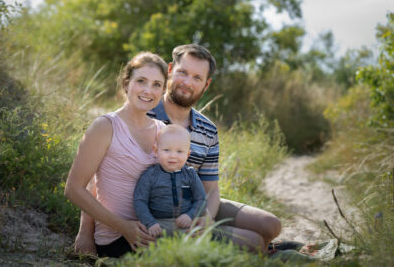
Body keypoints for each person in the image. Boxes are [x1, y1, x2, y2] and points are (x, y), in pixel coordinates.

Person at [74, 44, 282, 255]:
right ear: (171, 71)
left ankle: (263, 246)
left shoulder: (198, 129)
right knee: (253, 242)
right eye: (183, 72)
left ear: (206, 84)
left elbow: (210, 189)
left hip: (188, 203)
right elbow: (98, 178)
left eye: (197, 77)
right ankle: (257, 248)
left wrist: (205, 219)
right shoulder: (142, 111)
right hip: (153, 214)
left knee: (270, 226)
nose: (187, 82)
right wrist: (85, 233)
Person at [64, 52, 169, 258]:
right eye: (141, 81)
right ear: (126, 83)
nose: (148, 90)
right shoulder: (105, 126)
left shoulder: (163, 130)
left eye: (157, 84)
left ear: (164, 90)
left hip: (158, 229)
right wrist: (122, 227)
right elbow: (73, 189)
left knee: (244, 237)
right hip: (117, 238)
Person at [133, 124, 207, 237]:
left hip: (185, 223)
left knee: (194, 240)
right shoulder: (150, 175)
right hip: (158, 224)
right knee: (152, 244)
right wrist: (150, 222)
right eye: (167, 150)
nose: (173, 156)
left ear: (187, 154)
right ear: (156, 150)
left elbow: (201, 199)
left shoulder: (190, 174)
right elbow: (139, 201)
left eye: (179, 151)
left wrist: (190, 215)